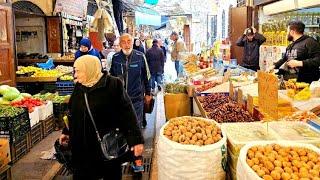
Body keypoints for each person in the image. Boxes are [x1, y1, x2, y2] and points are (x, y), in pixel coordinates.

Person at [59, 55, 144, 179]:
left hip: (106, 147)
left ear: (89, 69)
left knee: (110, 175)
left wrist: (136, 141)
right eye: (74, 71)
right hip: (82, 148)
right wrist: (66, 132)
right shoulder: (79, 86)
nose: (75, 75)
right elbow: (72, 112)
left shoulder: (113, 85)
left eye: (77, 71)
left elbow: (128, 115)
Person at [110, 33, 152, 129]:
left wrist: (148, 93)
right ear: (120, 45)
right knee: (123, 124)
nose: (127, 45)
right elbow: (112, 77)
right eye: (123, 42)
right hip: (120, 98)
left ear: (133, 43)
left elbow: (147, 76)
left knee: (136, 124)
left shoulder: (140, 56)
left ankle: (137, 142)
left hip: (137, 97)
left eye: (129, 41)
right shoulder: (115, 58)